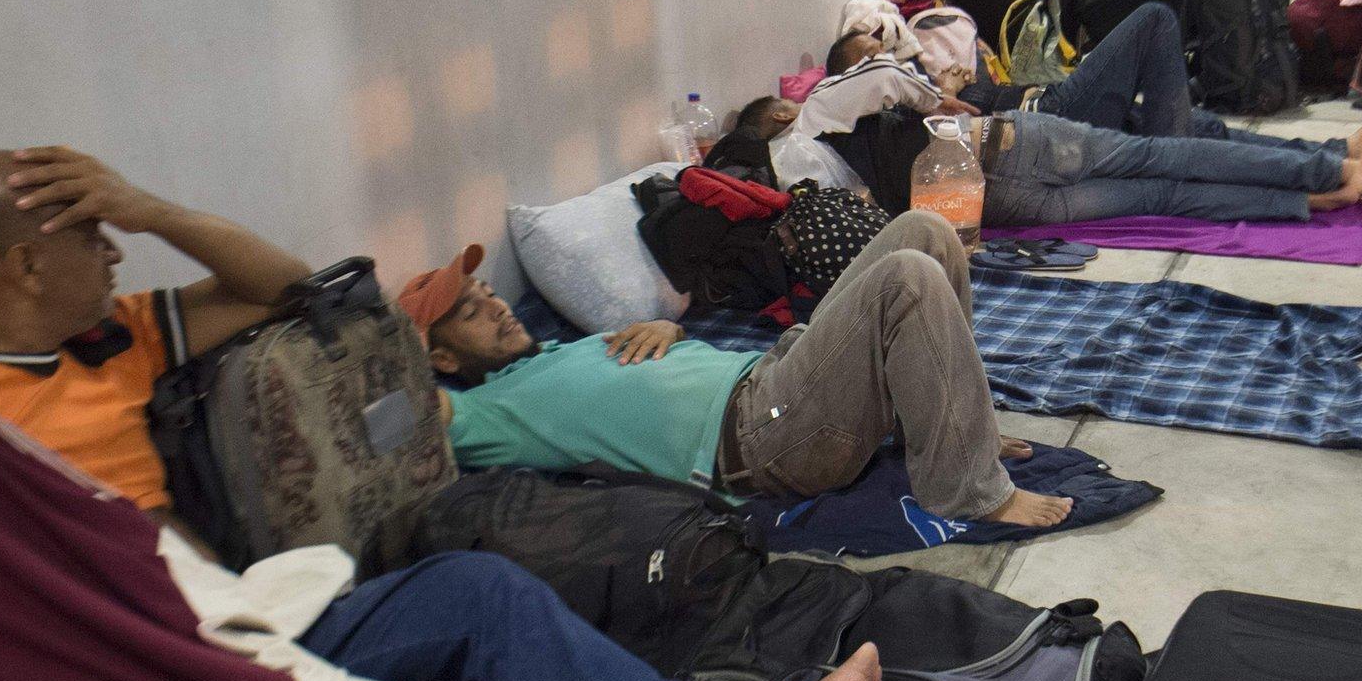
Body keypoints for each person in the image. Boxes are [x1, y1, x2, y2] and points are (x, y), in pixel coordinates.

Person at [0, 352, 887, 681]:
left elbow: (319, 294)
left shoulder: (113, 331)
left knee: (473, 594)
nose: (113, 250)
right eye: (88, 233)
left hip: (205, 625)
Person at [410, 215, 1076, 528]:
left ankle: (944, 428)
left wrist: (670, 328)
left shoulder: (559, 352)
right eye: (470, 313)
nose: (495, 305)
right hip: (761, 437)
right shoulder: (485, 415)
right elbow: (411, 409)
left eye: (487, 292)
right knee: (906, 280)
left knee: (924, 231)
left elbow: (642, 372)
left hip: (777, 375)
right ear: (442, 360)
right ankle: (970, 490)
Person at [0, 145, 316, 522]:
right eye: (94, 238)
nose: (116, 255)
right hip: (86, 619)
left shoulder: (116, 335)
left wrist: (150, 212)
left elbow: (285, 289)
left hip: (209, 607)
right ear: (28, 266)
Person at [804, 2, 1362, 225]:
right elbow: (881, 79)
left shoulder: (827, 179)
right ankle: (1330, 170)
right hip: (1019, 142)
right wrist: (935, 95)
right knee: (1169, 136)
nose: (880, 50)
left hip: (1007, 204)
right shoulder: (833, 109)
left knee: (1171, 177)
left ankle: (1316, 184)